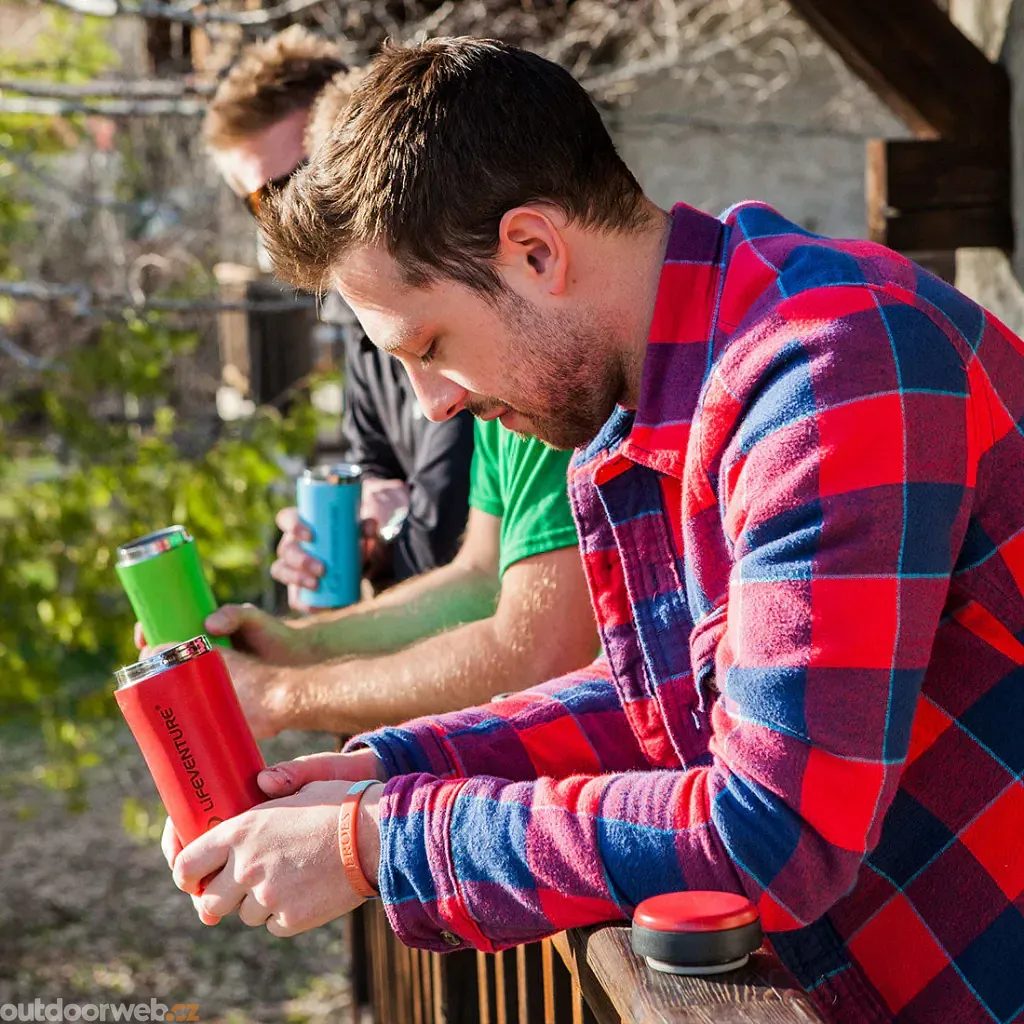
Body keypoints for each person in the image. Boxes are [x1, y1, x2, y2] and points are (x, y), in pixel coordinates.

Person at [164, 38, 1024, 1024]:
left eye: (429, 345)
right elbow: (670, 700)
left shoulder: (831, 371)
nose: (433, 402)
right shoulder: (653, 392)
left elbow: (772, 835)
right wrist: (386, 768)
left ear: (535, 250)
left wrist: (378, 842)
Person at [204, 26, 474, 587]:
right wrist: (362, 534)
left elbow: (445, 538)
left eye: (297, 180)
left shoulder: (449, 282)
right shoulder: (352, 320)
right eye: (262, 201)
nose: (293, 211)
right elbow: (377, 468)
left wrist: (394, 535)